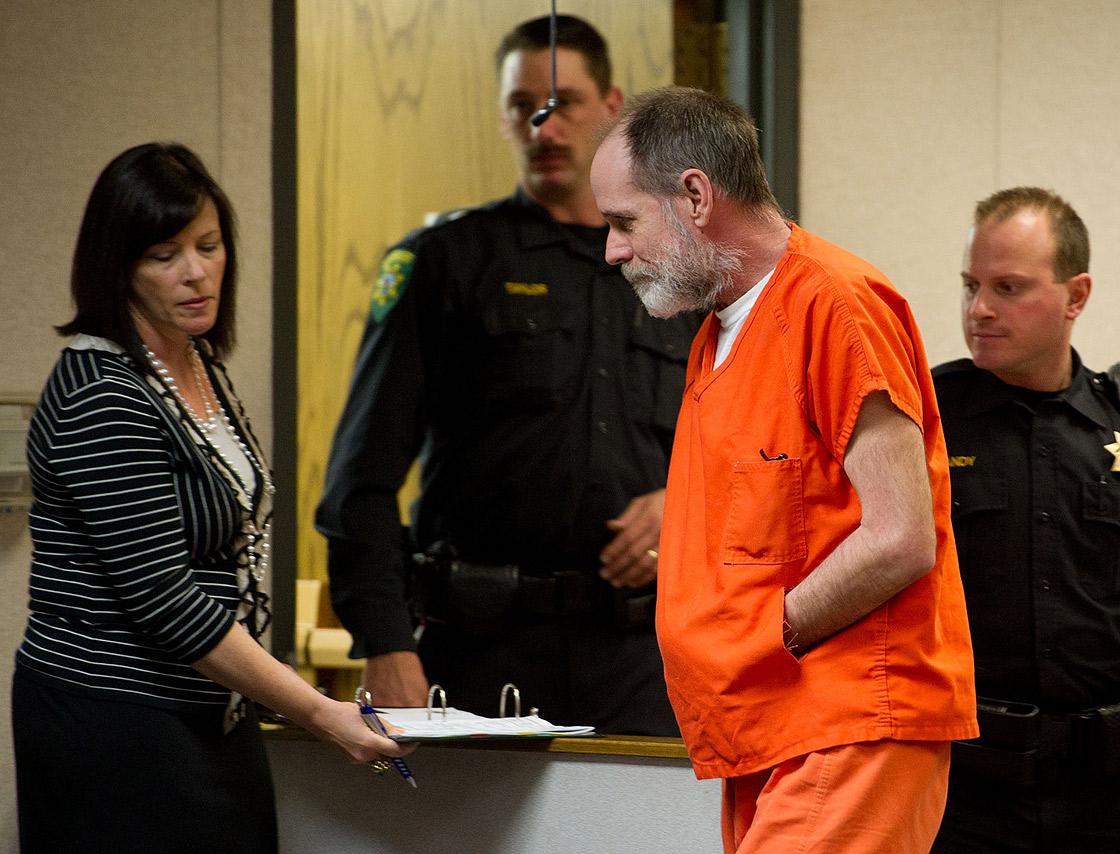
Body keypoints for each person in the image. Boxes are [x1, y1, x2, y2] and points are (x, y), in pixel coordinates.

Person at [589, 86, 978, 853]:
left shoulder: (835, 303)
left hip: (848, 723)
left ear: (695, 195)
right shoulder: (718, 333)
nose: (613, 250)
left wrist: (766, 634)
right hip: (769, 725)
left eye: (623, 221)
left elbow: (900, 537)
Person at [11, 143, 412, 854]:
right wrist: (318, 712)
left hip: (209, 710)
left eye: (209, 244)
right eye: (164, 254)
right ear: (118, 267)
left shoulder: (195, 361)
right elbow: (165, 600)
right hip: (116, 719)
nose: (197, 272)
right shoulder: (103, 390)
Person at [315, 15, 696, 737]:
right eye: (523, 108)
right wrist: (385, 642)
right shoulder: (445, 262)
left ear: (613, 106)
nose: (544, 128)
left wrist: (686, 502)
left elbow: (762, 462)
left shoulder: (680, 273)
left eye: (564, 103)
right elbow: (359, 482)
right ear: (503, 116)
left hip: (647, 660)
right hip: (480, 653)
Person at [930, 188, 1120, 853]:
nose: (979, 309)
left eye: (1008, 287)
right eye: (970, 285)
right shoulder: (923, 421)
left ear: (1077, 296)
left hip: (1107, 794)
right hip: (966, 796)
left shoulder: (1114, 426)